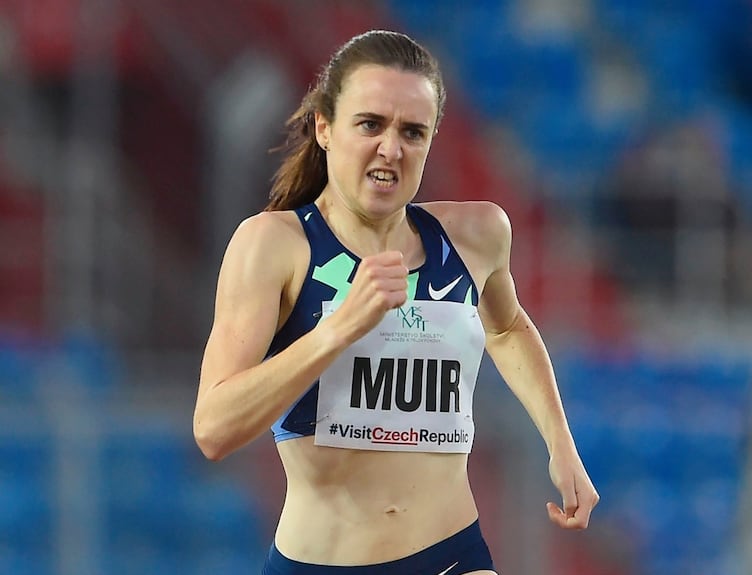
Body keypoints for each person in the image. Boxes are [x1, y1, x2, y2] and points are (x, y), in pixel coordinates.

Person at [192, 29, 599, 575]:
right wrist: (336, 330)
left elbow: (506, 329)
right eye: (370, 124)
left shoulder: (476, 235)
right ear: (324, 128)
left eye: (412, 132)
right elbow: (214, 429)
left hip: (450, 554)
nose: (391, 148)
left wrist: (560, 444)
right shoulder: (274, 245)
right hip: (319, 561)